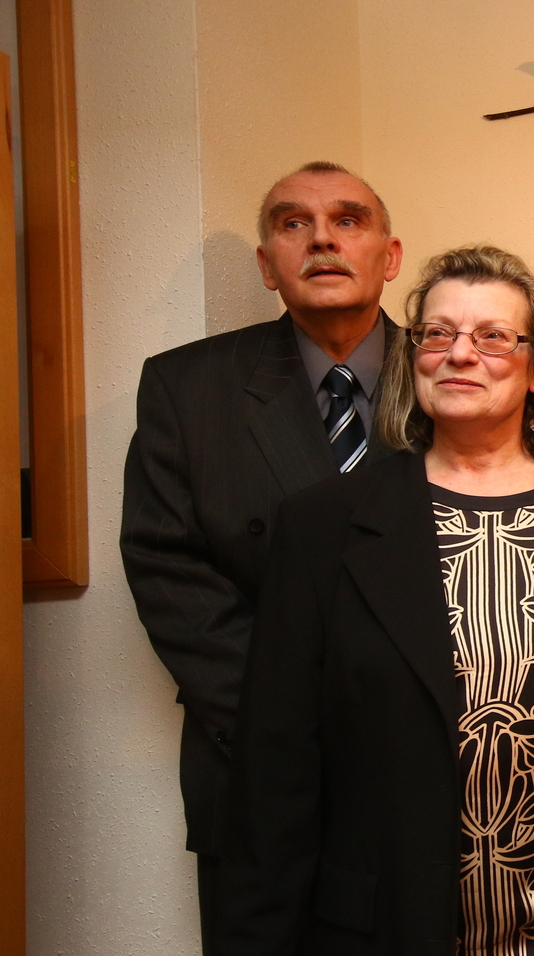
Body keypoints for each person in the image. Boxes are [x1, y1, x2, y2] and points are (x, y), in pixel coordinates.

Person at [222, 246, 534, 954]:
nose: (459, 354)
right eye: (437, 334)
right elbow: (276, 758)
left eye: (492, 336)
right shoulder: (323, 525)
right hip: (396, 922)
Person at [120, 161, 403, 951]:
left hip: (440, 767)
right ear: (266, 265)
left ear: (390, 255)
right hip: (255, 773)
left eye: (348, 219)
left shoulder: (460, 373)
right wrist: (295, 716)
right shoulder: (187, 388)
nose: (322, 239)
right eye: (293, 223)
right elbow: (167, 568)